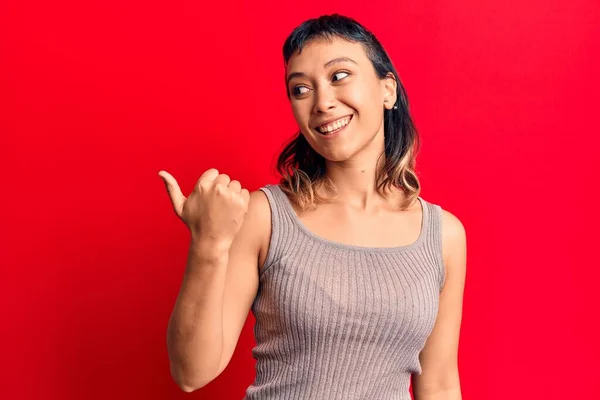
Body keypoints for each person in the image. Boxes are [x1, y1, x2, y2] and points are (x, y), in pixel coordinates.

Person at [159, 14, 466, 400]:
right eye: (300, 89)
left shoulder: (443, 235)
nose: (321, 102)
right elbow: (191, 372)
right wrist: (209, 244)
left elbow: (438, 384)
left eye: (339, 76)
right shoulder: (267, 215)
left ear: (388, 89)